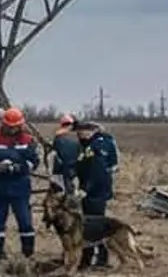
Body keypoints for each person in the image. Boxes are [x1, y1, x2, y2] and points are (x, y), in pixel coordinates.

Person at [0, 106, 39, 259]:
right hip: (0, 187)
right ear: (4, 124)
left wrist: (20, 168)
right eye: (11, 126)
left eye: (16, 126)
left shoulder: (27, 140)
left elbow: (34, 161)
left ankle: (28, 252)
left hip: (20, 187)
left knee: (25, 220)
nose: (14, 129)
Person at [73, 119, 121, 268]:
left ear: (90, 131)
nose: (79, 135)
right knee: (96, 223)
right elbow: (113, 164)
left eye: (81, 132)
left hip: (94, 192)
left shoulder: (94, 147)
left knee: (93, 225)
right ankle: (98, 258)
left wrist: (85, 189)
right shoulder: (105, 141)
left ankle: (94, 259)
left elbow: (95, 172)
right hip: (100, 189)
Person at [50, 114, 80, 195]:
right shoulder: (77, 137)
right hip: (73, 172)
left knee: (58, 195)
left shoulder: (58, 138)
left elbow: (55, 156)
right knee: (71, 195)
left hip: (59, 173)